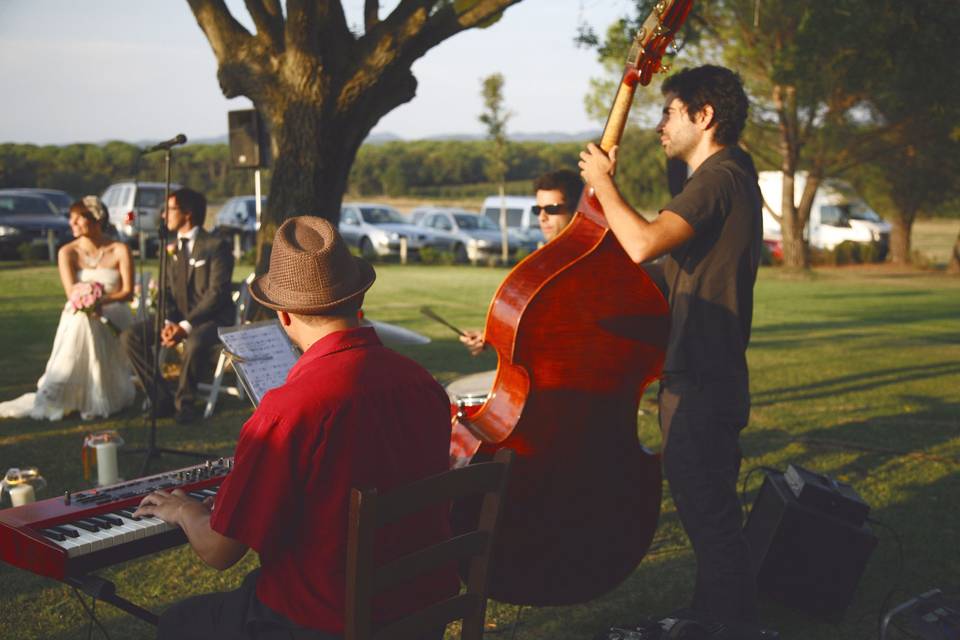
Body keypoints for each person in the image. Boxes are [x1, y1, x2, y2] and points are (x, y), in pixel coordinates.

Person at [134, 216, 457, 640]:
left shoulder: (291, 408)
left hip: (322, 620)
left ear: (284, 316)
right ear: (357, 298)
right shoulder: (423, 383)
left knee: (181, 622)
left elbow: (219, 551)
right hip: (420, 613)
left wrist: (184, 510)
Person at [579, 65, 762, 630]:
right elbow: (663, 267)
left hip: (702, 379)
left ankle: (724, 625)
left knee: (709, 518)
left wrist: (603, 181)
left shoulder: (720, 177)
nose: (658, 124)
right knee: (712, 515)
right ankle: (710, 620)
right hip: (705, 373)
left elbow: (643, 245)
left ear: (704, 117)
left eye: (669, 111)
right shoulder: (726, 176)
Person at [0, 196, 136, 421]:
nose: (71, 224)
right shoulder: (67, 252)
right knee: (83, 321)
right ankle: (70, 392)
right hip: (81, 314)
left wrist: (101, 302)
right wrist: (88, 304)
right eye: (70, 220)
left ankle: (105, 394)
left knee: (92, 321)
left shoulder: (119, 249)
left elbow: (128, 292)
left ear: (95, 220)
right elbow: (71, 292)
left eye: (77, 220)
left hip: (113, 311)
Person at [121, 187, 234, 423]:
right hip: (178, 319)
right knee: (131, 336)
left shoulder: (216, 245)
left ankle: (186, 404)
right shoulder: (169, 248)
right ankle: (161, 398)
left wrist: (185, 325)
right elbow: (165, 292)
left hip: (212, 321)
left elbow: (217, 294)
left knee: (194, 341)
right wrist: (169, 322)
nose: (164, 215)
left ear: (188, 213)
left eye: (170, 209)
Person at [459, 169, 584, 355]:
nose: (542, 217)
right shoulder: (543, 260)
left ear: (575, 210)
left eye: (552, 209)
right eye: (537, 210)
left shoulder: (585, 261)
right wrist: (490, 337)